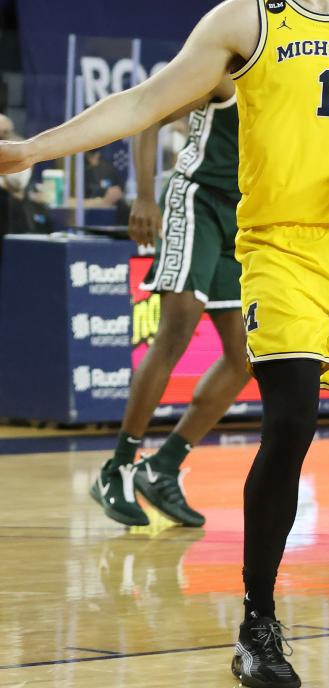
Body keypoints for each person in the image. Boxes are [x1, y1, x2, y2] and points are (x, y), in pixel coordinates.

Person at [0, 0, 329, 688]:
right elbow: (143, 101)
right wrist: (31, 149)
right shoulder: (244, 17)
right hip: (280, 250)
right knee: (289, 426)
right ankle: (257, 628)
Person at [90, 86, 248, 529]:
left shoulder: (292, 83)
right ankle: (118, 466)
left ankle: (162, 466)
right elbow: (149, 116)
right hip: (196, 201)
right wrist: (144, 196)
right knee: (176, 331)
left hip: (243, 216)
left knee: (245, 357)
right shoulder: (227, 73)